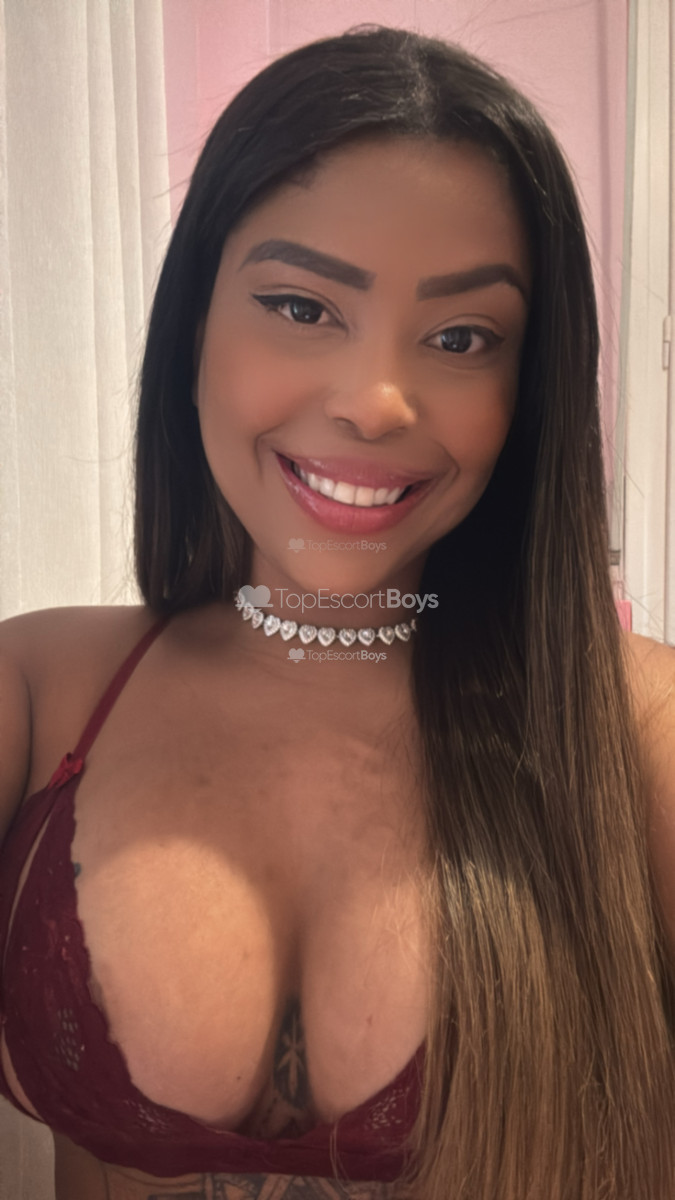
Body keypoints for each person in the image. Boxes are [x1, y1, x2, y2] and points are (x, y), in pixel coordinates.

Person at [1, 22, 674, 1200]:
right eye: (302, 307)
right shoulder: (36, 691)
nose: (375, 403)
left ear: (526, 388)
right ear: (194, 324)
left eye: (462, 337)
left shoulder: (639, 737)